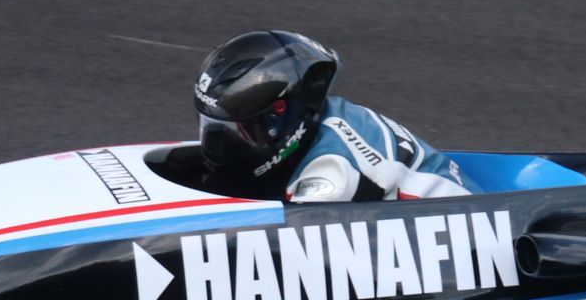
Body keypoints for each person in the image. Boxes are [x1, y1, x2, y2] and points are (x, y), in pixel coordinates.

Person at [192, 30, 471, 203]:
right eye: (211, 128)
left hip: (460, 248)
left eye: (242, 132)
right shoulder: (320, 119)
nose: (218, 146)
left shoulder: (332, 176)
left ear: (286, 116)